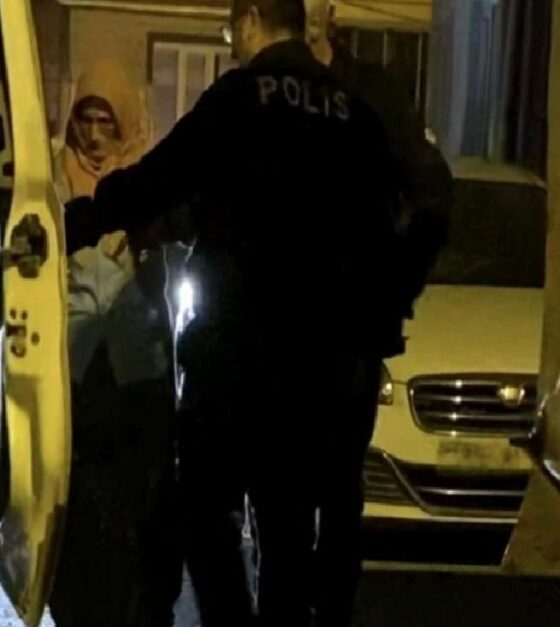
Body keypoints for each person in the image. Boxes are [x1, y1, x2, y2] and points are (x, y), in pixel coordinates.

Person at [63, 1, 446, 625]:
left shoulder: (238, 99)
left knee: (203, 510)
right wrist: (380, 306)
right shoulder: (355, 113)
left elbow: (157, 181)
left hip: (235, 353)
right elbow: (412, 213)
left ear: (250, 22)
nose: (232, 43)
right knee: (286, 527)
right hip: (319, 362)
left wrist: (77, 220)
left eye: (230, 32)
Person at [302, 2, 453, 624]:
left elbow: (432, 196)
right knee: (282, 496)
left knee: (337, 491)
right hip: (273, 331)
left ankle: (329, 611)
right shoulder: (261, 92)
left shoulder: (372, 93)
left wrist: (392, 289)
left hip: (346, 331)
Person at [49, 60, 183, 627]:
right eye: (86, 119)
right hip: (76, 361)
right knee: (79, 501)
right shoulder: (54, 173)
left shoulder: (145, 175)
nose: (96, 134)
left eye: (107, 120)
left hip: (136, 360)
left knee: (142, 494)